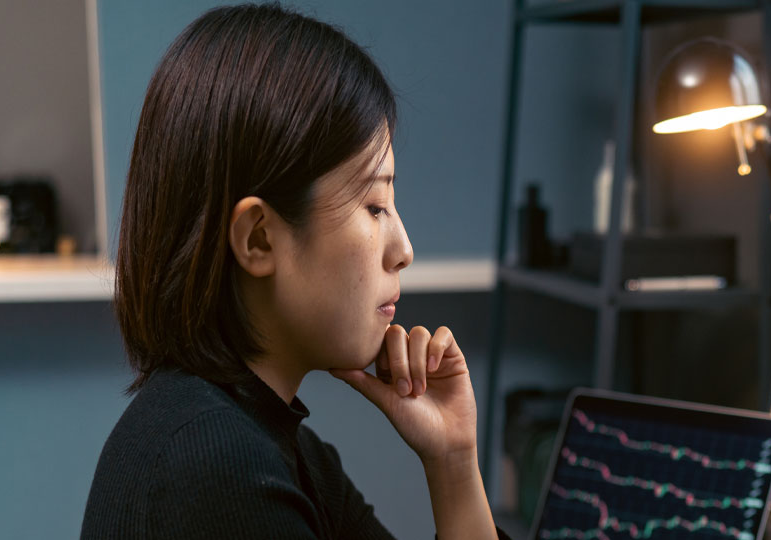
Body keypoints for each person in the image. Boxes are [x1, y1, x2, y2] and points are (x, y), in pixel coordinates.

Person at [81, 5, 500, 539]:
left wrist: (454, 462)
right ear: (258, 238)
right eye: (374, 206)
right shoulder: (213, 469)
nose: (404, 249)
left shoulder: (282, 447)